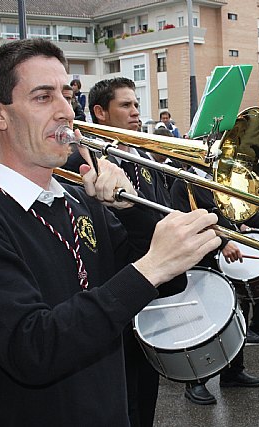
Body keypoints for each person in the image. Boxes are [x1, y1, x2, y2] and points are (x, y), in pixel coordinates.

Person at [0, 38, 221, 426]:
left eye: (67, 95)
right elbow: (32, 349)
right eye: (43, 97)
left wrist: (132, 209)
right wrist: (152, 267)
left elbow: (164, 288)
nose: (66, 111)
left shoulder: (77, 200)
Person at [64, 76, 176, 426]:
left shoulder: (143, 158)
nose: (135, 112)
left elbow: (163, 212)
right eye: (125, 105)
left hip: (151, 292)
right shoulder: (81, 161)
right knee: (120, 399)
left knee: (146, 395)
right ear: (99, 112)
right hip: (112, 292)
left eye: (136, 104)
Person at [170, 170, 259, 406]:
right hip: (197, 262)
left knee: (236, 313)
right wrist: (222, 243)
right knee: (198, 321)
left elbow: (236, 216)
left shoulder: (220, 181)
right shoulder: (183, 183)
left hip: (221, 258)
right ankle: (196, 382)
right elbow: (185, 223)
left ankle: (233, 371)